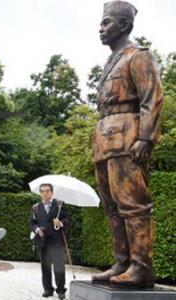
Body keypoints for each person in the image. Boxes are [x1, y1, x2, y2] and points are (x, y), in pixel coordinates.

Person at [92, 1, 163, 288]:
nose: (101, 28)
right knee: (112, 207)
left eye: (107, 22)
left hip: (128, 137)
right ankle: (122, 261)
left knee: (134, 206)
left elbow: (152, 99)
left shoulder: (139, 56)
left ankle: (141, 266)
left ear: (124, 25)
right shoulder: (111, 61)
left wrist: (146, 137)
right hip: (105, 140)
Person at [30, 183, 69, 299]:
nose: (44, 193)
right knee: (45, 267)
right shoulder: (35, 207)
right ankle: (48, 289)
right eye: (42, 191)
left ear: (52, 192)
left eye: (47, 191)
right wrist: (37, 230)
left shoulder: (59, 205)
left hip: (57, 239)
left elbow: (68, 219)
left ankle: (61, 290)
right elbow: (32, 223)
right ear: (40, 193)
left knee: (59, 266)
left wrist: (61, 223)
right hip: (42, 240)